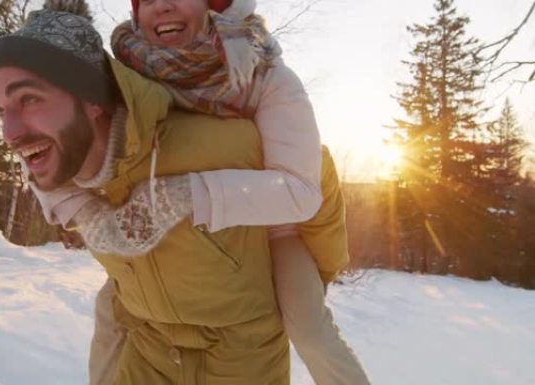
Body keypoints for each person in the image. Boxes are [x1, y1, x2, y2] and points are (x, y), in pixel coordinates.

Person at [0, 2, 290, 384]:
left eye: (29, 98)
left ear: (92, 100)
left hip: (243, 357)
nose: (9, 133)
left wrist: (306, 302)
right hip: (151, 350)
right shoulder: (61, 166)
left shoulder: (218, 143)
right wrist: (92, 218)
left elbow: (314, 185)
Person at [107, 0, 371, 384]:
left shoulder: (263, 75)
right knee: (111, 315)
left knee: (309, 330)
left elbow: (299, 190)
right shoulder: (128, 76)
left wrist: (186, 194)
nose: (162, 6)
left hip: (272, 229)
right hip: (175, 233)